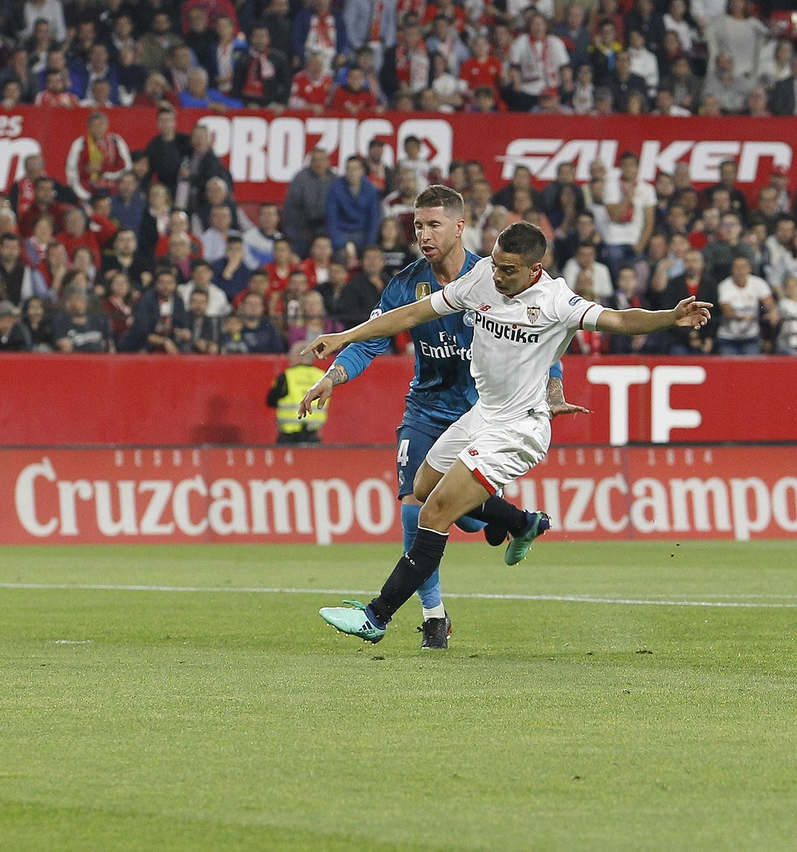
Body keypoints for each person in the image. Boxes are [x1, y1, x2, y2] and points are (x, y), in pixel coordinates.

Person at [305, 220, 711, 644]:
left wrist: (669, 317)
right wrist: (343, 336)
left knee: (432, 512)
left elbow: (619, 320)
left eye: (509, 270)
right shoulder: (481, 278)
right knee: (423, 488)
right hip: (482, 414)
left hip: (520, 428)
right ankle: (521, 522)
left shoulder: (557, 301)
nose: (498, 276)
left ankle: (378, 617)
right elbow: (412, 313)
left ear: (536, 269)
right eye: (496, 264)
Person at [299, 186, 576, 649]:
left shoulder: (495, 275)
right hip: (426, 408)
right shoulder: (406, 284)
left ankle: (512, 519)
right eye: (417, 226)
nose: (423, 235)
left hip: (482, 412)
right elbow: (372, 339)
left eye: (433, 225)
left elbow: (541, 337)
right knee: (414, 502)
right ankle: (434, 616)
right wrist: (334, 375)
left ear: (460, 227)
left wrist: (553, 390)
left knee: (461, 517)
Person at [267, 346, 328, 443]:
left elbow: (270, 401)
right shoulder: (323, 377)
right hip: (313, 436)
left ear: (298, 357)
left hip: (289, 437)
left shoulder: (286, 376)